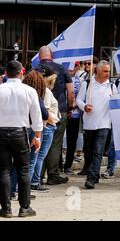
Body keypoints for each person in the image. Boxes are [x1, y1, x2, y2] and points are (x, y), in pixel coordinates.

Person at [0, 60, 42, 218]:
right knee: (23, 170)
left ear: (6, 73)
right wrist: (37, 136)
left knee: (3, 170)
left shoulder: (0, 89)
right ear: (21, 73)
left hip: (1, 131)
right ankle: (24, 207)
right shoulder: (29, 90)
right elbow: (36, 116)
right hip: (20, 132)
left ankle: (5, 208)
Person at [76, 61, 117, 189]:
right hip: (89, 124)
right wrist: (84, 106)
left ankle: (91, 178)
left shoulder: (111, 86)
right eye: (105, 71)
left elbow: (117, 102)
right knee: (89, 152)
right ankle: (94, 173)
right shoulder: (87, 84)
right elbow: (78, 100)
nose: (108, 74)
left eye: (109, 71)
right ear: (98, 71)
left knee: (98, 152)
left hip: (104, 124)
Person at [36, 46, 73, 185]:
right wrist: (70, 107)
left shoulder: (34, 70)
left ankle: (37, 176)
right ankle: (52, 175)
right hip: (58, 112)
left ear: (39, 56)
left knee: (39, 143)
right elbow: (70, 92)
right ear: (52, 55)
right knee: (55, 144)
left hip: (38, 113)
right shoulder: (62, 69)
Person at [28, 67, 59, 193]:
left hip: (44, 126)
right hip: (46, 127)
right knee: (38, 157)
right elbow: (44, 111)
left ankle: (34, 181)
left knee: (37, 157)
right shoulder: (45, 91)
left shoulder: (42, 90)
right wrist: (52, 123)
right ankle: (35, 182)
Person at [77, 57, 99, 176]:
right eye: (84, 63)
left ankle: (94, 168)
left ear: (95, 65)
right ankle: (87, 166)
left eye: (89, 63)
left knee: (96, 144)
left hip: (98, 114)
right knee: (87, 142)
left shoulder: (99, 78)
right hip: (85, 111)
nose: (86, 65)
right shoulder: (83, 78)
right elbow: (79, 96)